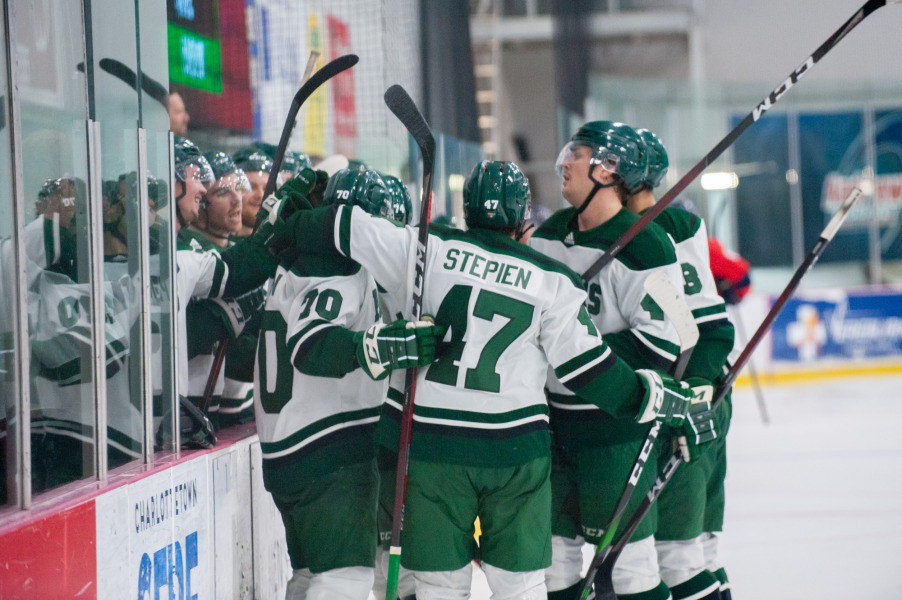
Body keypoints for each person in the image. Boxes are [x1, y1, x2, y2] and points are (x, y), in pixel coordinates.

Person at [275, 159, 717, 599]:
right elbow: (591, 373)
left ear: (467, 208)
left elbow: (340, 222)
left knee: (439, 586)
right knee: (521, 587)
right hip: (516, 454)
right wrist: (657, 398)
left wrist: (288, 219)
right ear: (524, 220)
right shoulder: (555, 281)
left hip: (434, 450)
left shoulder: (424, 248)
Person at [254, 167, 443, 600]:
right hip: (330, 456)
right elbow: (312, 344)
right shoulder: (340, 265)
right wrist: (383, 347)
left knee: (308, 576)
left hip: (289, 455)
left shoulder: (295, 263)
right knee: (345, 582)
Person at [527, 121, 687, 600]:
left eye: (578, 153)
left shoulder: (650, 244)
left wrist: (575, 349)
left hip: (615, 431)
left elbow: (669, 339)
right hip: (551, 427)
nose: (565, 162)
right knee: (554, 565)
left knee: (631, 569)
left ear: (609, 168)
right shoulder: (549, 234)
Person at [626, 128, 735, 600]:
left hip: (688, 401)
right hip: (708, 394)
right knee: (701, 552)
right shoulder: (682, 225)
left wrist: (689, 393)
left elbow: (704, 329)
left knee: (679, 557)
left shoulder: (670, 230)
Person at [165, 136, 281, 448]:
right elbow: (201, 339)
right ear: (201, 206)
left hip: (204, 414)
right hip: (179, 417)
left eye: (236, 189)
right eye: (222, 192)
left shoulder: (219, 253)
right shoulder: (187, 252)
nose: (237, 200)